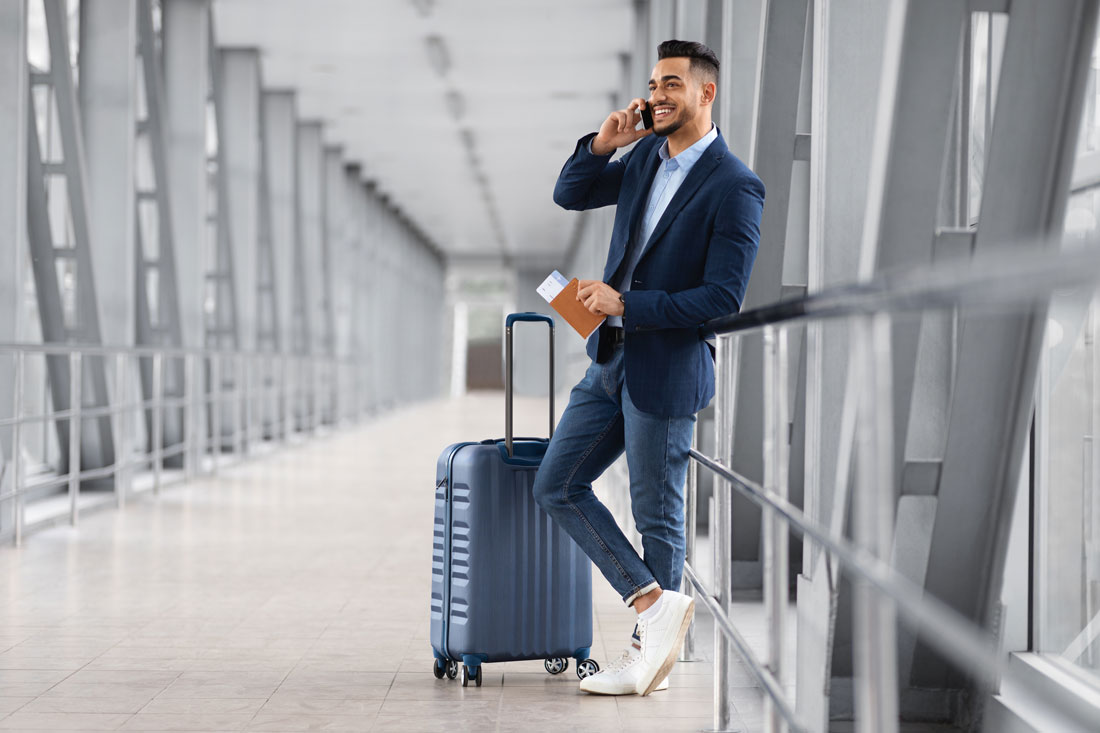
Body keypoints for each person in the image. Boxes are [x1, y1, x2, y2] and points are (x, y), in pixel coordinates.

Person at [532, 39, 765, 696]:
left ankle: (651, 659)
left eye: (671, 84)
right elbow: (569, 193)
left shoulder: (735, 185)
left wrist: (627, 303)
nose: (657, 95)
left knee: (655, 514)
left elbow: (723, 297)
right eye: (653, 85)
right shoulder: (640, 161)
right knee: (557, 483)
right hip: (608, 360)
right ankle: (652, 604)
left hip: (665, 364)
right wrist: (604, 143)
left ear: (705, 93)